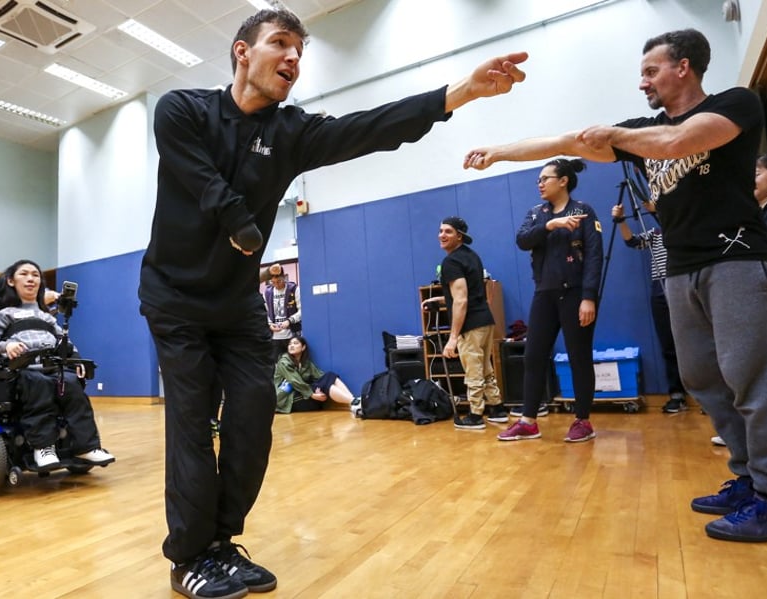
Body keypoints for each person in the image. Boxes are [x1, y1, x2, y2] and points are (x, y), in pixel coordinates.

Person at [139, 8, 528, 598]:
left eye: (300, 49)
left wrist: (463, 92)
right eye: (281, 44)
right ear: (243, 52)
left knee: (253, 415)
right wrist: (241, 224)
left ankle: (219, 543)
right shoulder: (182, 110)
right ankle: (188, 556)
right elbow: (200, 180)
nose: (294, 58)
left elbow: (371, 126)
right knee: (194, 423)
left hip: (237, 303)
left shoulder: (289, 132)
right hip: (175, 299)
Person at [463, 29, 767, 542]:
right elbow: (568, 142)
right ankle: (750, 479)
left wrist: (615, 136)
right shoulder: (641, 133)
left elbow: (679, 140)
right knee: (704, 379)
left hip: (738, 260)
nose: (643, 83)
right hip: (681, 269)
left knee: (755, 377)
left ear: (684, 67)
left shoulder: (736, 104)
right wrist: (501, 151)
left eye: (651, 71)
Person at [491, 159, 603, 443]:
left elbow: (593, 257)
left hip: (576, 293)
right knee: (533, 355)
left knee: (579, 357)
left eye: (545, 178)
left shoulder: (584, 211)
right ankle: (529, 421)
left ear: (563, 180)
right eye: (538, 180)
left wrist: (588, 297)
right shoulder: (537, 213)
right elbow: (523, 240)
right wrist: (551, 225)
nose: (540, 184)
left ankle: (583, 420)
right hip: (544, 293)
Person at [0, 260, 114, 469]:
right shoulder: (4, 314)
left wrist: (76, 359)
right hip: (21, 371)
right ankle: (43, 448)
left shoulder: (47, 318)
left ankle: (87, 447)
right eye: (24, 274)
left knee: (72, 384)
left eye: (35, 275)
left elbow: (64, 342)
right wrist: (6, 346)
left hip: (51, 370)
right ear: (11, 281)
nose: (31, 279)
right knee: (38, 383)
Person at [421, 217, 507, 429]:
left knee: (473, 371)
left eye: (448, 232)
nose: (442, 235)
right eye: (440, 231)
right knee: (485, 368)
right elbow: (466, 294)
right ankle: (496, 409)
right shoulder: (471, 256)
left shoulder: (450, 262)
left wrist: (452, 338)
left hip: (471, 325)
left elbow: (461, 300)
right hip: (485, 320)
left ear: (459, 235)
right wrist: (439, 300)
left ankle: (475, 415)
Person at [610, 200, 687, 412]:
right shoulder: (654, 233)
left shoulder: (682, 226)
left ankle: (708, 396)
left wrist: (657, 210)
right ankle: (676, 393)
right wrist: (620, 221)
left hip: (682, 283)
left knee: (694, 341)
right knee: (667, 343)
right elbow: (632, 242)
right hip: (659, 289)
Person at [273, 334, 353, 413]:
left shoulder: (306, 363)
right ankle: (354, 402)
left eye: (295, 343)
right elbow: (295, 381)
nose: (291, 346)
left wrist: (320, 388)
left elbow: (322, 377)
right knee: (318, 394)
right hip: (286, 398)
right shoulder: (284, 362)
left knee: (330, 375)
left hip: (302, 394)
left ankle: (353, 401)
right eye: (290, 344)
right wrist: (312, 394)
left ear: (303, 347)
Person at [264, 264, 300, 361]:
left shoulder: (294, 289)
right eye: (273, 282)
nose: (276, 285)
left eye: (279, 281)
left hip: (292, 334)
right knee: (277, 364)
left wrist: (289, 321)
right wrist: (270, 324)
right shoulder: (267, 292)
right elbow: (265, 312)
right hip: (275, 336)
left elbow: (302, 311)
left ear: (284, 277)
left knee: (293, 362)